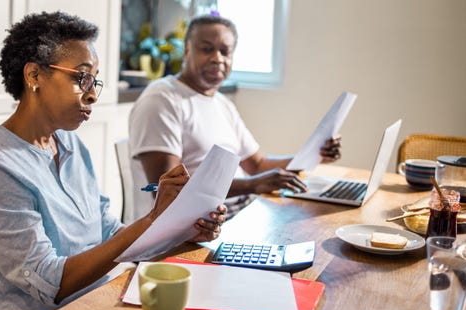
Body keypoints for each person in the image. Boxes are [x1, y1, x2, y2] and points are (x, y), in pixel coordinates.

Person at [0, 11, 227, 310]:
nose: (92, 95)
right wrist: (150, 218)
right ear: (34, 75)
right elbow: (50, 282)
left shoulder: (69, 143)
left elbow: (108, 232)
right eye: (81, 78)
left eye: (94, 81)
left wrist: (183, 232)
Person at [128, 14, 342, 219]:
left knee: (314, 221)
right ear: (186, 51)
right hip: (191, 229)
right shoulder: (162, 98)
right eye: (206, 49)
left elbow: (258, 165)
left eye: (225, 51)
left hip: (237, 211)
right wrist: (252, 184)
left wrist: (315, 154)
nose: (217, 58)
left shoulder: (222, 103)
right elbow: (167, 192)